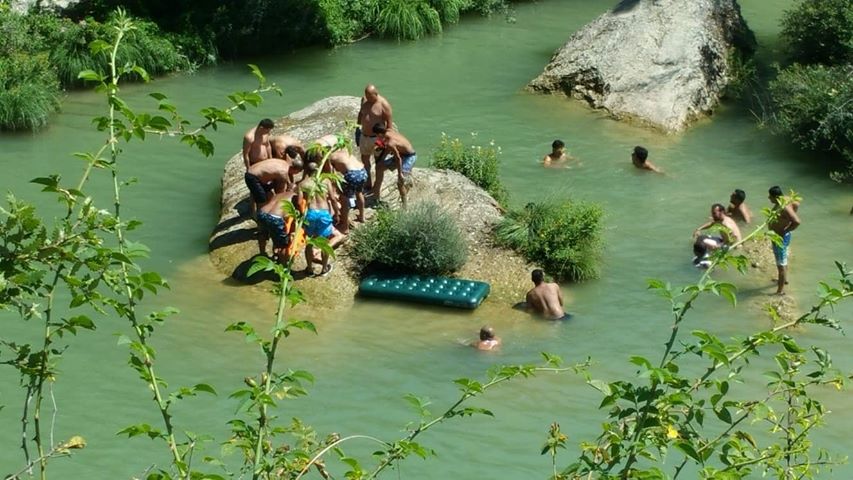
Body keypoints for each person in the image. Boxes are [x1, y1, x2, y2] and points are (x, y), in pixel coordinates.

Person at [297, 162, 346, 276]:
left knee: (309, 242)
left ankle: (309, 269)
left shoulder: (302, 184)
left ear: (307, 171)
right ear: (318, 170)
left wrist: (302, 215)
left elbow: (299, 202)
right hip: (323, 213)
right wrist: (337, 213)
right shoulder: (325, 181)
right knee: (324, 243)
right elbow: (333, 199)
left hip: (311, 213)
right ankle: (324, 268)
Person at [245, 158, 292, 256]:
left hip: (262, 214)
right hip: (273, 218)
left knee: (263, 231)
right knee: (281, 239)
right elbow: (287, 216)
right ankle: (278, 256)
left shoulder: (276, 195)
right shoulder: (290, 196)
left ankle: (262, 253)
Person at [357, 84, 393, 189]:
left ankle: (377, 187)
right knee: (365, 159)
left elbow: (389, 124)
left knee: (379, 163)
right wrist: (357, 127)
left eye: (370, 96)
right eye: (366, 96)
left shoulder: (384, 105)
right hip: (364, 136)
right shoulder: (364, 100)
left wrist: (386, 140)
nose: (368, 98)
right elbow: (361, 113)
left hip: (377, 138)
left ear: (376, 94)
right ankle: (368, 183)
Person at [371, 123, 416, 207]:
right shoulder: (389, 131)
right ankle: (376, 195)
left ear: (380, 134)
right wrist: (380, 160)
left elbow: (398, 158)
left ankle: (404, 206)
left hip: (409, 157)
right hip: (402, 154)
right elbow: (387, 150)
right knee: (379, 167)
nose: (377, 137)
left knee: (400, 182)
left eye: (376, 135)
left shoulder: (390, 142)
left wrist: (400, 174)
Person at [768, 186, 801, 295]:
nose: (769, 198)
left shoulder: (784, 206)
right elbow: (797, 203)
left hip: (780, 238)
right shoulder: (786, 200)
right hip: (778, 237)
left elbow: (797, 221)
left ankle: (780, 291)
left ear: (776, 197)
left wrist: (785, 230)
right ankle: (784, 280)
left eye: (770, 196)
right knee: (783, 260)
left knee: (780, 265)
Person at [255, 189, 298, 264]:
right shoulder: (295, 196)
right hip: (275, 217)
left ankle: (262, 254)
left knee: (263, 233)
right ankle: (282, 265)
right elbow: (295, 217)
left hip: (262, 212)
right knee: (284, 245)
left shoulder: (279, 194)